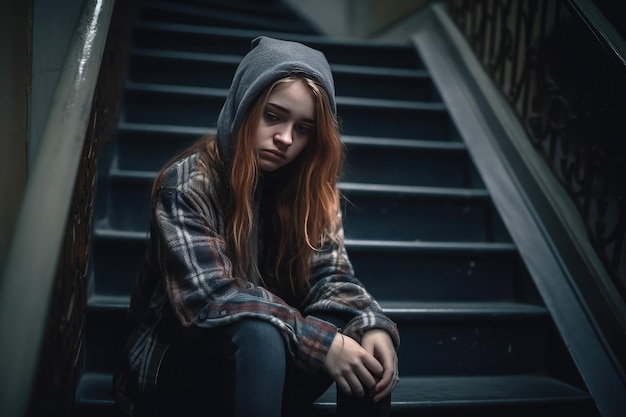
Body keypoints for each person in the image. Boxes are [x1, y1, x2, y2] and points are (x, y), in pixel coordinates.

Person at [113, 36, 400, 417]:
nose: (285, 139)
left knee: (361, 339)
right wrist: (320, 342)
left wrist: (370, 322)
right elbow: (213, 298)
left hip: (270, 366)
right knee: (259, 331)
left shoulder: (314, 192)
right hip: (180, 369)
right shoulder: (187, 184)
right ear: (245, 106)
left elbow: (331, 276)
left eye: (304, 129)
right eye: (273, 116)